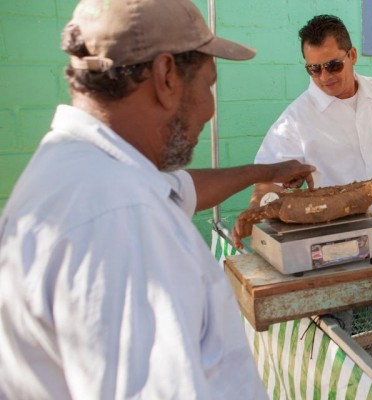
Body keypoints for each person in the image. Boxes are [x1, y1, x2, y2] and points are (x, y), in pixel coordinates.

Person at [0, 0, 315, 398]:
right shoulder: (122, 222)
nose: (210, 108)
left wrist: (267, 172)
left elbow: (180, 188)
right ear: (166, 76)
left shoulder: (82, 169)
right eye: (208, 84)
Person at [232, 14, 372, 249]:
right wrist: (253, 213)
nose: (324, 77)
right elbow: (267, 181)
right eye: (314, 69)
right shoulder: (296, 119)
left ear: (352, 55)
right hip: (340, 247)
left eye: (333, 65)